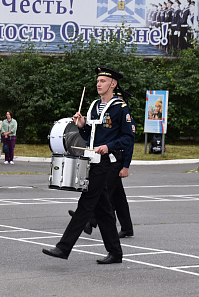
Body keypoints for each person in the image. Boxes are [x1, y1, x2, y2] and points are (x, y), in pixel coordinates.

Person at [42, 66, 134, 264]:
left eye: (103, 81)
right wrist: (82, 126)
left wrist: (108, 146)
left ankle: (63, 247)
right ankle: (115, 253)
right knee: (104, 210)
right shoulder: (93, 105)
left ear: (113, 84)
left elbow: (128, 137)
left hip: (107, 164)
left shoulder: (120, 108)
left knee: (85, 205)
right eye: (98, 80)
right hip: (91, 162)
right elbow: (88, 136)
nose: (98, 84)